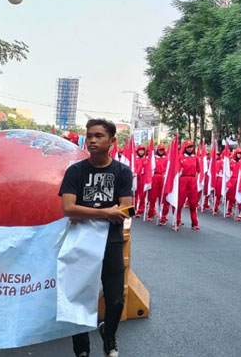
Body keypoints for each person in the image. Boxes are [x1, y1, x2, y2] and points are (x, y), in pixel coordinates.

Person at [59, 119, 132, 357]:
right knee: (78, 298)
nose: (92, 140)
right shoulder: (75, 171)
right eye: (89, 135)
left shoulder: (122, 172)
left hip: (111, 242)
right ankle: (81, 349)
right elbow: (69, 209)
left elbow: (127, 210)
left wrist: (87, 213)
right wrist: (106, 212)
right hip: (79, 243)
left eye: (99, 136)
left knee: (116, 300)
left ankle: (108, 334)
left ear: (112, 141)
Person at [177, 141, 202, 230]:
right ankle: (177, 220)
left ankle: (194, 223)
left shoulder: (195, 158)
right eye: (188, 147)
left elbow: (199, 170)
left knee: (193, 202)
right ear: (185, 148)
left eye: (191, 147)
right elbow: (177, 169)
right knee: (180, 201)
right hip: (183, 179)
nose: (190, 149)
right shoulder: (181, 157)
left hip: (192, 180)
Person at [147, 144, 167, 222]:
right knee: (153, 196)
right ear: (157, 150)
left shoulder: (166, 158)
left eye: (162, 150)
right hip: (155, 177)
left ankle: (162, 215)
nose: (161, 151)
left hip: (163, 177)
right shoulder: (153, 158)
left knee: (162, 197)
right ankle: (150, 213)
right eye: (160, 150)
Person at [133, 145, 147, 217]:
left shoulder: (146, 160)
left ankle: (141, 209)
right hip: (134, 178)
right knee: (134, 194)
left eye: (142, 150)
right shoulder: (134, 159)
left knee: (142, 195)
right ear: (137, 151)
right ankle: (133, 209)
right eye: (140, 150)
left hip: (143, 178)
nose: (141, 152)